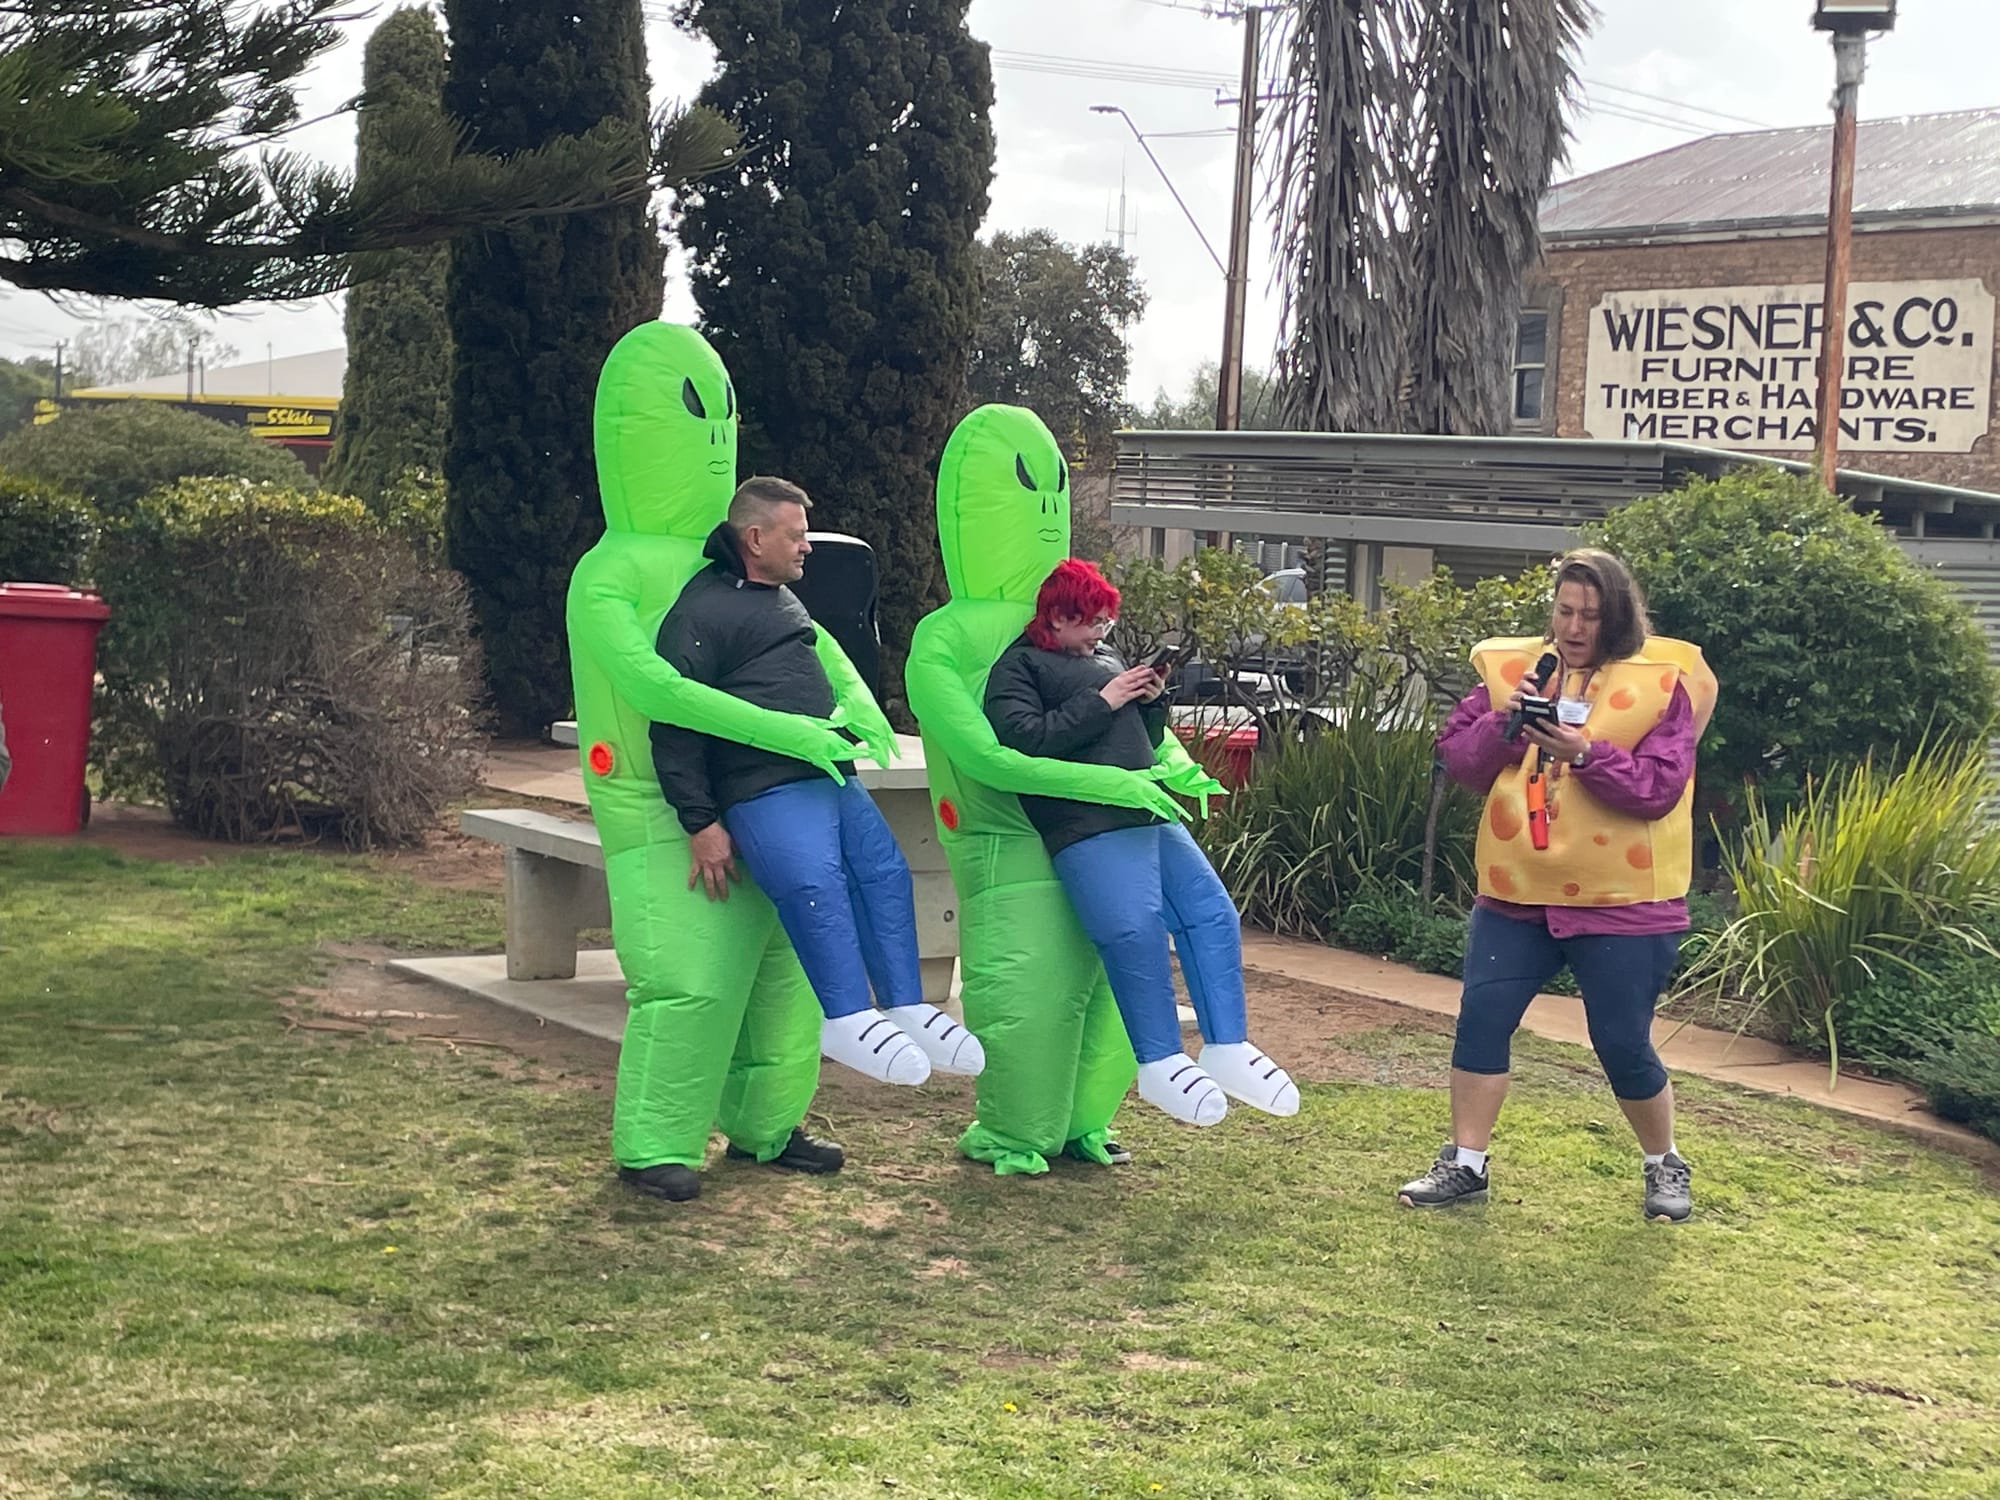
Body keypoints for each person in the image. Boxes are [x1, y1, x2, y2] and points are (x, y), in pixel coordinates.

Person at [567, 322, 872, 1204]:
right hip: (666, 805)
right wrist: (784, 744)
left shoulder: (747, 576)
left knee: (785, 976)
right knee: (691, 981)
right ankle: (656, 1141)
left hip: (770, 799)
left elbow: (815, 647)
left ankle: (767, 1124)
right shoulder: (610, 572)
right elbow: (655, 690)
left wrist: (852, 711)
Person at [904, 404, 1219, 1175]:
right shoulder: (951, 637)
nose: (1044, 505)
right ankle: (1014, 1129)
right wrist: (1118, 769)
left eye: (1054, 486)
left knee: (1117, 984)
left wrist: (1172, 763)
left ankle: (1083, 1119)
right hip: (1014, 843)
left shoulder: (1081, 642)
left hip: (1107, 832)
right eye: (1025, 487)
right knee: (1031, 996)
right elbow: (995, 752)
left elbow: (1129, 731)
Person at [1397, 549, 1718, 1223]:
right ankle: (1465, 1163)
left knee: (1622, 1041)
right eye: (1565, 611)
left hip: (1625, 903)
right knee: (1481, 1020)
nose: (1574, 627)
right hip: (1518, 894)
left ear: (1618, 616)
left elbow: (1660, 787)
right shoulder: (1515, 673)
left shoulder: (1663, 682)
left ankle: (1664, 1163)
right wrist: (1506, 722)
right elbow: (1458, 758)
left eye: (1591, 616)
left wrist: (1586, 754)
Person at [651, 475, 986, 1090]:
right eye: (796, 535)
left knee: (883, 872)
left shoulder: (782, 599)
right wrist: (698, 822)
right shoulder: (700, 613)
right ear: (754, 538)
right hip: (763, 787)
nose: (808, 547)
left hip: (829, 775)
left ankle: (906, 1004)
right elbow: (673, 725)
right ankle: (847, 1016)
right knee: (816, 886)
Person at [983, 559, 1299, 1127]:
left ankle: (1229, 1045)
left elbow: (1142, 738)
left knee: (1211, 915)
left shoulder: (1105, 658)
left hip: (1146, 809)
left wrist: (1150, 699)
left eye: (1108, 622)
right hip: (1086, 822)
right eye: (1093, 622)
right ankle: (1159, 1059)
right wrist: (1103, 699)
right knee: (1135, 934)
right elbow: (1025, 740)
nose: (1103, 633)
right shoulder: (1020, 667)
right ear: (1057, 617)